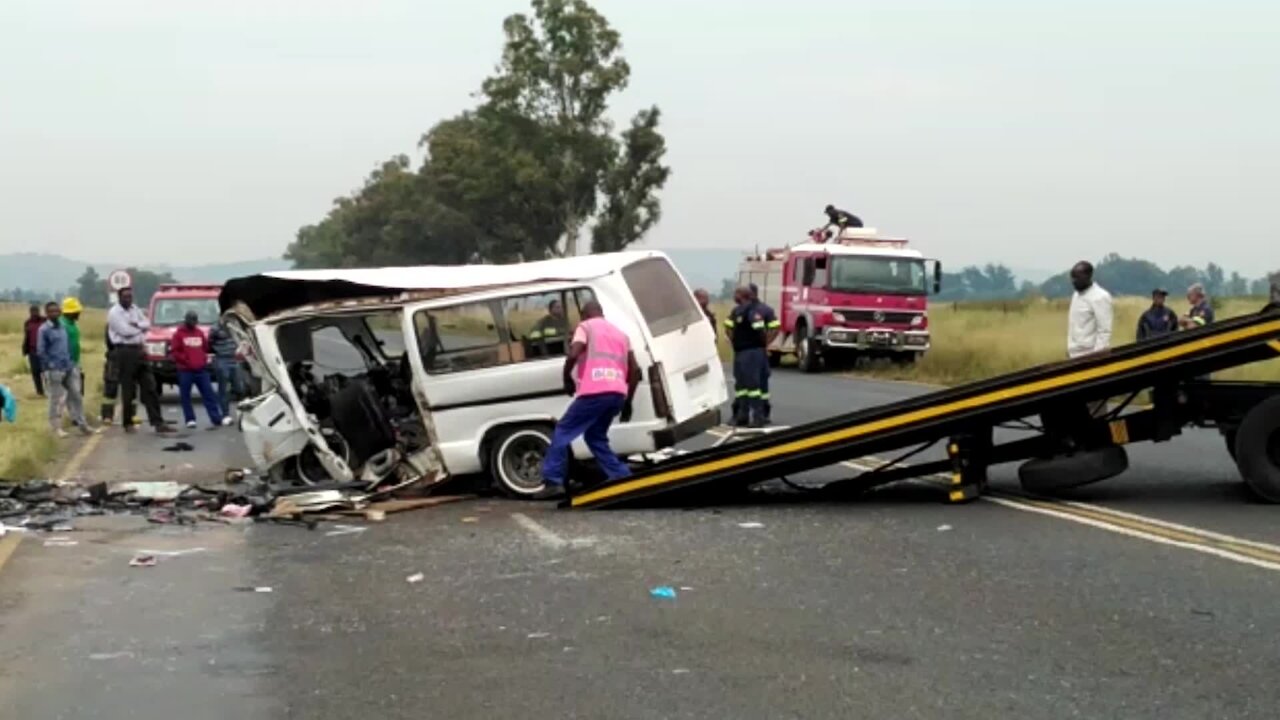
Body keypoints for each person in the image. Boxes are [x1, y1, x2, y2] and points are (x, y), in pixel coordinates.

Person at [537, 300, 641, 498]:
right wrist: (628, 402)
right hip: (617, 393)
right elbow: (635, 370)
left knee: (563, 430)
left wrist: (567, 377)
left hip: (594, 391)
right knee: (595, 436)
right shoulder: (621, 334)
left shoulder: (585, 327)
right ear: (601, 313)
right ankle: (621, 475)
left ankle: (553, 481)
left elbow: (573, 353)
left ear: (585, 315)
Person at [108, 287, 173, 434]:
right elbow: (125, 332)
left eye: (130, 297)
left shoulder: (135, 309)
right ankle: (128, 422)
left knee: (150, 387)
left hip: (140, 350)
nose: (128, 299)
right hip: (124, 351)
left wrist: (137, 326)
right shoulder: (114, 313)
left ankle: (158, 422)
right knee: (128, 389)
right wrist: (139, 327)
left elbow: (147, 323)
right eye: (125, 297)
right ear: (119, 297)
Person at [37, 301, 93, 437]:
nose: (54, 313)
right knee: (57, 399)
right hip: (54, 369)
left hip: (68, 365)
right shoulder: (44, 330)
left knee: (76, 395)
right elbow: (41, 351)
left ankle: (82, 424)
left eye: (57, 311)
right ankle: (56, 428)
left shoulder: (63, 327)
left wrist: (71, 362)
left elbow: (67, 346)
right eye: (51, 311)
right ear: (47, 313)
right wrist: (49, 366)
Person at [170, 310, 227, 429]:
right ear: (186, 321)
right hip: (185, 370)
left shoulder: (199, 332)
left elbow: (205, 348)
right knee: (185, 396)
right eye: (192, 321)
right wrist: (186, 360)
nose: (193, 324)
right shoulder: (178, 334)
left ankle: (216, 418)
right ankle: (190, 419)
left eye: (195, 321)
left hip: (201, 369)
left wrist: (202, 359)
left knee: (209, 394)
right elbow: (175, 352)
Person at [725, 286, 770, 427]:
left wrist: (761, 344)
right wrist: (735, 342)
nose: (734, 296)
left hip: (752, 353)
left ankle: (758, 417)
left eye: (736, 294)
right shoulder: (737, 311)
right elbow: (728, 327)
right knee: (741, 386)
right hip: (741, 352)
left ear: (741, 295)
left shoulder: (753, 312)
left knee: (753, 386)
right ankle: (742, 415)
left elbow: (760, 330)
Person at [748, 283, 781, 424]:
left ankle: (761, 413)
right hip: (750, 352)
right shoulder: (745, 309)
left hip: (756, 352)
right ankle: (758, 413)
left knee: (759, 384)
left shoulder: (763, 310)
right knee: (756, 384)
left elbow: (775, 327)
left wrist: (766, 343)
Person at [1067, 261, 1113, 359]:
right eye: (1072, 277)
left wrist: (1096, 357)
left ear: (1088, 276)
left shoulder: (1100, 297)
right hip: (1074, 354)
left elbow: (1104, 331)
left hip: (1089, 355)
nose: (1073, 281)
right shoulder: (1075, 296)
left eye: (1077, 277)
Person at [209, 319, 244, 419]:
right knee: (224, 389)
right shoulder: (215, 328)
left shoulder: (235, 327)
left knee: (240, 388)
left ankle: (241, 410)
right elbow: (209, 344)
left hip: (234, 359)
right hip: (222, 359)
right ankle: (225, 414)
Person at [20, 304, 45, 397]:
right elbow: (26, 337)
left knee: (46, 372)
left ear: (39, 312)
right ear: (30, 313)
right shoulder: (27, 323)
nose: (34, 313)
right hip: (32, 351)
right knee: (35, 372)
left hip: (44, 351)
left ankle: (50, 391)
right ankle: (40, 392)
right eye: (32, 312)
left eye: (36, 311)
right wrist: (24, 349)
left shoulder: (44, 321)